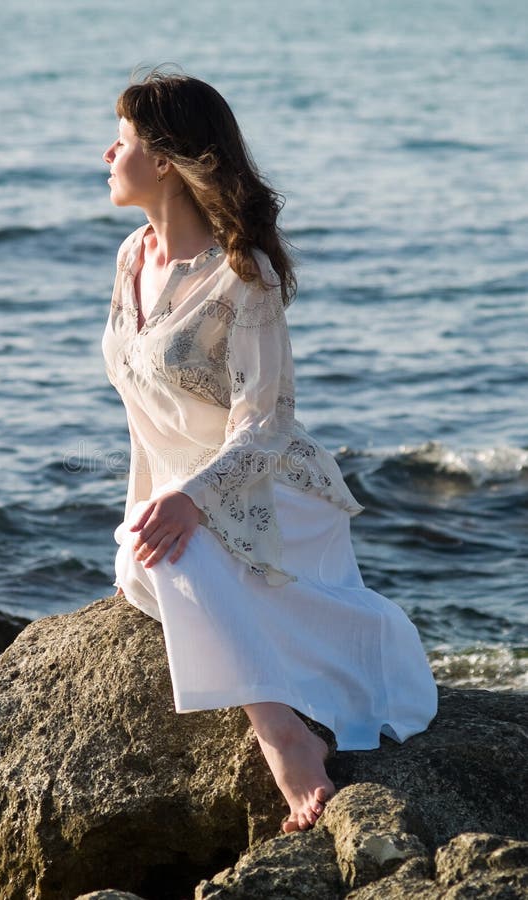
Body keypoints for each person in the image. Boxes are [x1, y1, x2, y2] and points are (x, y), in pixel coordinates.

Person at [101, 70, 437, 833]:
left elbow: (266, 424)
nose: (105, 153)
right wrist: (149, 509)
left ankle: (279, 730)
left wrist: (189, 502)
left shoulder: (242, 273)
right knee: (140, 561)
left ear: (161, 161)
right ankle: (277, 695)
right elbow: (140, 415)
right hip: (183, 490)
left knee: (170, 558)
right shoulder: (131, 256)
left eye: (119, 141)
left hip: (271, 489)